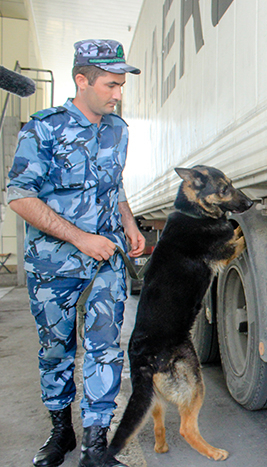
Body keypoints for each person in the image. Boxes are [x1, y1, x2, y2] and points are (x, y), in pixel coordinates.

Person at [8, 39, 145, 467]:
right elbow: (19, 196)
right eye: (110, 85)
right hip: (54, 262)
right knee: (56, 348)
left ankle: (95, 446)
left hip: (106, 258)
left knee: (105, 347)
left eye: (121, 86)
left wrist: (128, 222)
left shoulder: (117, 129)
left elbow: (114, 184)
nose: (118, 94)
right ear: (81, 80)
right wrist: (79, 238)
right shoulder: (42, 128)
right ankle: (60, 431)